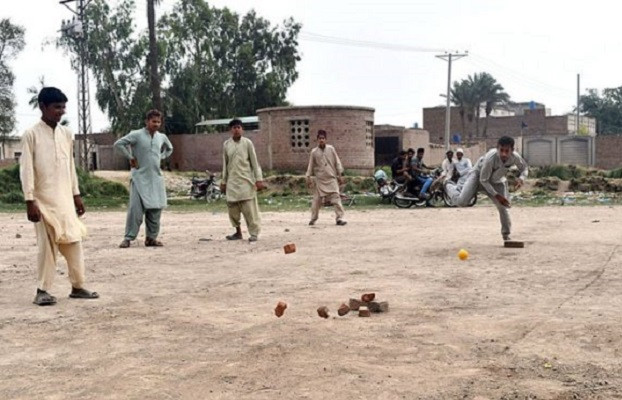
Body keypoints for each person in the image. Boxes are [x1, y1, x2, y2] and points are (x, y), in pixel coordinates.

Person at [19, 87, 99, 306]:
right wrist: (29, 200)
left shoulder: (66, 134)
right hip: (41, 202)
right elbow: (26, 170)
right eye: (56, 107)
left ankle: (78, 286)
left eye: (63, 107)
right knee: (47, 247)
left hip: (64, 200)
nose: (60, 112)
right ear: (43, 107)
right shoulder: (31, 134)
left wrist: (76, 195)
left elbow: (70, 166)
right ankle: (42, 290)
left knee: (73, 242)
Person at [445, 136, 528, 241]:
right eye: (501, 150)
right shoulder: (490, 158)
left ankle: (506, 235)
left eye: (507, 151)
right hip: (478, 176)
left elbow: (524, 168)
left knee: (503, 207)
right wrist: (497, 196)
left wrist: (521, 178)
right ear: (497, 148)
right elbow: (483, 180)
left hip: (496, 181)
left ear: (512, 150)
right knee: (462, 202)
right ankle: (448, 185)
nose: (504, 154)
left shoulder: (515, 157)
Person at [115, 109, 173, 248]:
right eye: (153, 121)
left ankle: (151, 238)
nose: (156, 124)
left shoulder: (161, 137)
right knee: (135, 210)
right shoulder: (136, 134)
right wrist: (130, 157)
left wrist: (161, 157)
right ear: (147, 121)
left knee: (156, 209)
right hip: (139, 178)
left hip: (156, 178)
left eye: (158, 122)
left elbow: (170, 148)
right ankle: (128, 238)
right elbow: (118, 144)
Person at [220, 118, 265, 242]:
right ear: (231, 130)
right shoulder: (226, 145)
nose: (236, 130)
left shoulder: (248, 143)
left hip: (246, 181)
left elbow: (255, 163)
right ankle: (238, 232)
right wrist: (223, 181)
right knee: (232, 209)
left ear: (242, 129)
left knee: (250, 210)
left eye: (239, 127)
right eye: (234, 127)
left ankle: (254, 233)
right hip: (232, 182)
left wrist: (259, 179)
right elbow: (225, 164)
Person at [306, 129, 347, 226]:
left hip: (331, 178)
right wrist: (308, 177)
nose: (321, 140)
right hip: (320, 180)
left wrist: (340, 175)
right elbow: (310, 165)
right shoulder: (314, 152)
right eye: (320, 138)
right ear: (317, 140)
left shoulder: (331, 149)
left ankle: (339, 218)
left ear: (326, 139)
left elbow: (337, 162)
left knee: (336, 199)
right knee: (316, 201)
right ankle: (313, 218)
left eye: (323, 138)